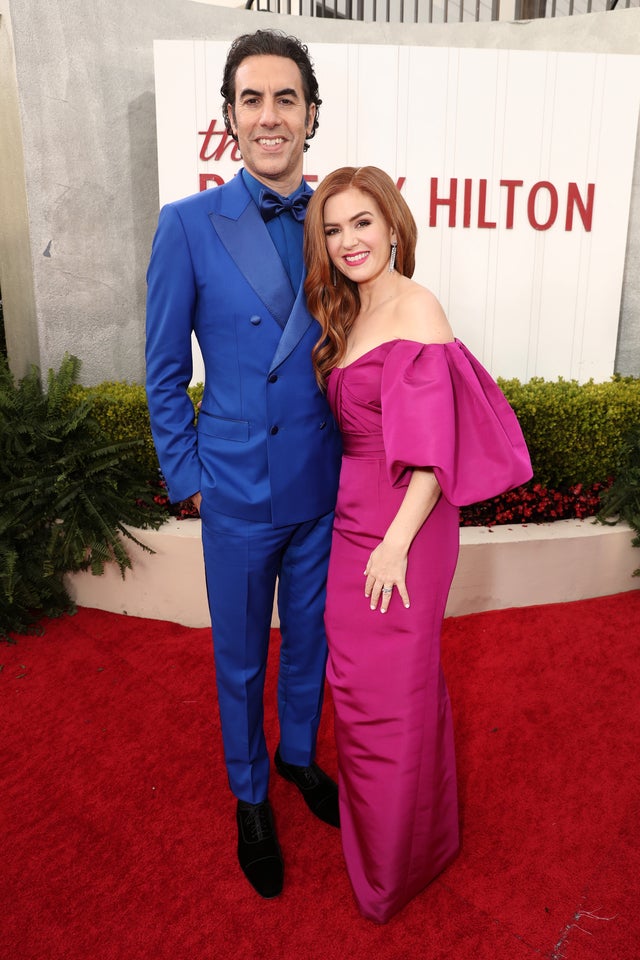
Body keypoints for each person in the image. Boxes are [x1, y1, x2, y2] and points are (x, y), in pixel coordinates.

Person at [303, 166, 533, 923]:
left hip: (404, 527)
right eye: (333, 229)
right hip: (351, 522)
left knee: (392, 697)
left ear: (393, 224)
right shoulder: (350, 309)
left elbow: (434, 453)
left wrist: (395, 543)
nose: (348, 241)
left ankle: (394, 870)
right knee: (362, 692)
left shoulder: (417, 307)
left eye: (362, 223)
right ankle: (413, 840)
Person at [145, 30, 342, 901]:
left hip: (326, 484)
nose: (271, 116)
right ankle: (250, 794)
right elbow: (159, 368)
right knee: (240, 659)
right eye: (252, 99)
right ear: (228, 119)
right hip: (236, 485)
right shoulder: (186, 226)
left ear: (311, 115)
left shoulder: (339, 219)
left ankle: (297, 755)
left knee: (311, 643)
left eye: (286, 98)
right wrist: (189, 476)